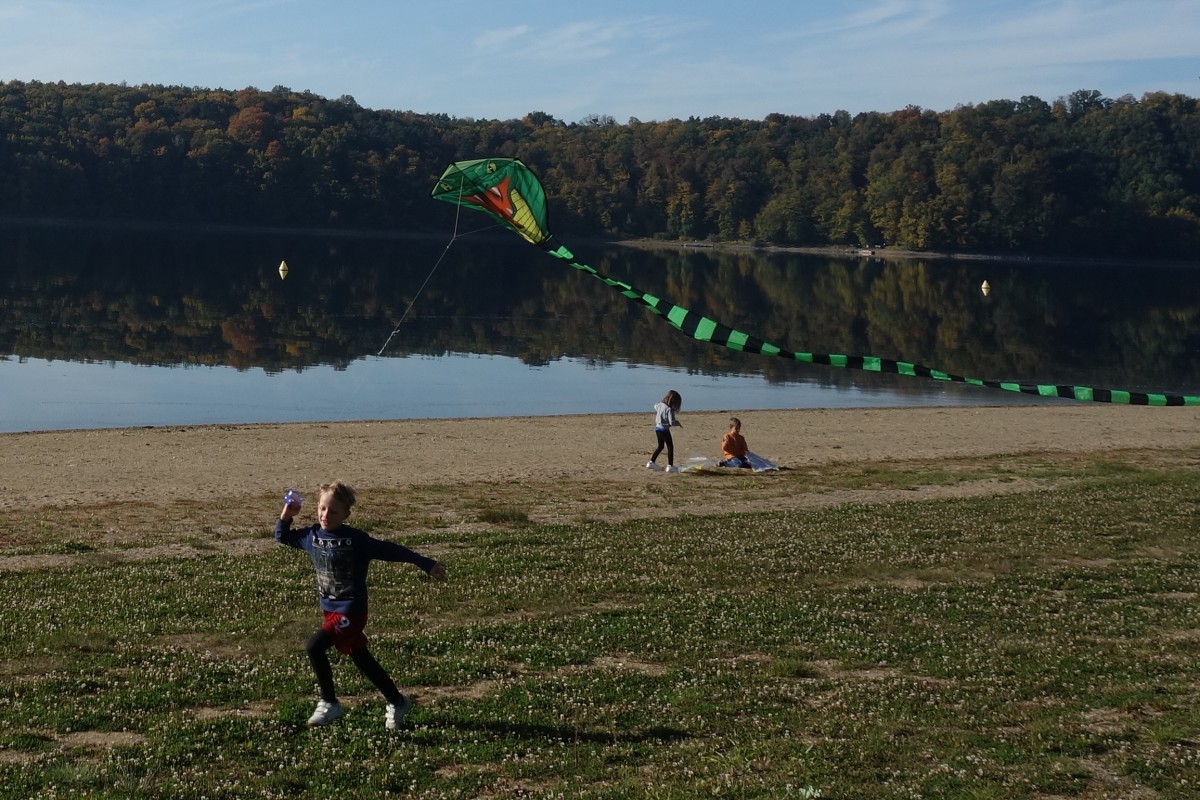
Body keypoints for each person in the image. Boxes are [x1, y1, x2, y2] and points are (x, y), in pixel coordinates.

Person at [275, 481, 447, 730]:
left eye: (333, 511)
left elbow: (392, 550)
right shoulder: (312, 537)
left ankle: (329, 702)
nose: (325, 515)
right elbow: (282, 536)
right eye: (322, 508)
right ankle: (397, 701)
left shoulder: (356, 540)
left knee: (314, 647)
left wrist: (424, 563)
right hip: (330, 611)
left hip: (351, 613)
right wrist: (286, 515)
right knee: (361, 658)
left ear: (346, 515)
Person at [646, 389, 683, 473]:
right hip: (664, 430)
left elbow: (655, 406)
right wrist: (678, 423)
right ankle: (670, 466)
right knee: (670, 447)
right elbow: (671, 422)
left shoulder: (660, 405)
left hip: (657, 429)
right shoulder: (669, 409)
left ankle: (651, 462)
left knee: (660, 446)